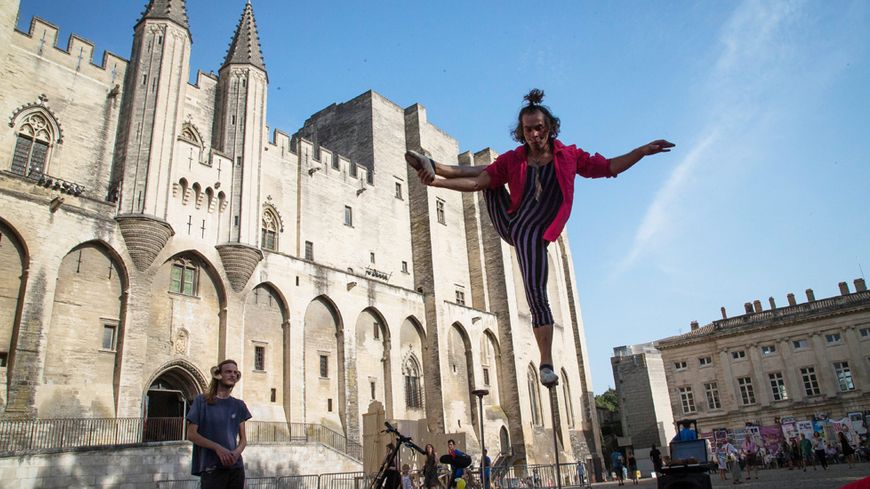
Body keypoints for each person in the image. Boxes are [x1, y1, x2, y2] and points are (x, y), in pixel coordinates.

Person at [406, 89, 674, 386]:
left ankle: (545, 359)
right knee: (494, 175)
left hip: (535, 231)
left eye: (539, 128)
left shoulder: (569, 157)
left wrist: (641, 151)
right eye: (528, 129)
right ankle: (434, 167)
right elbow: (479, 183)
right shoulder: (515, 158)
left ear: (550, 128)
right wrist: (437, 184)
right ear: (521, 132)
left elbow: (609, 167)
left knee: (536, 292)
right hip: (513, 223)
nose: (534, 134)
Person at [186, 359, 252, 489]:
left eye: (235, 372)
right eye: (228, 371)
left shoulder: (239, 405)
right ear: (218, 375)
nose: (232, 375)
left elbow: (243, 440)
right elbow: (191, 434)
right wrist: (218, 448)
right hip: (211, 467)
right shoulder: (201, 401)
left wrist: (236, 453)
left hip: (236, 468)